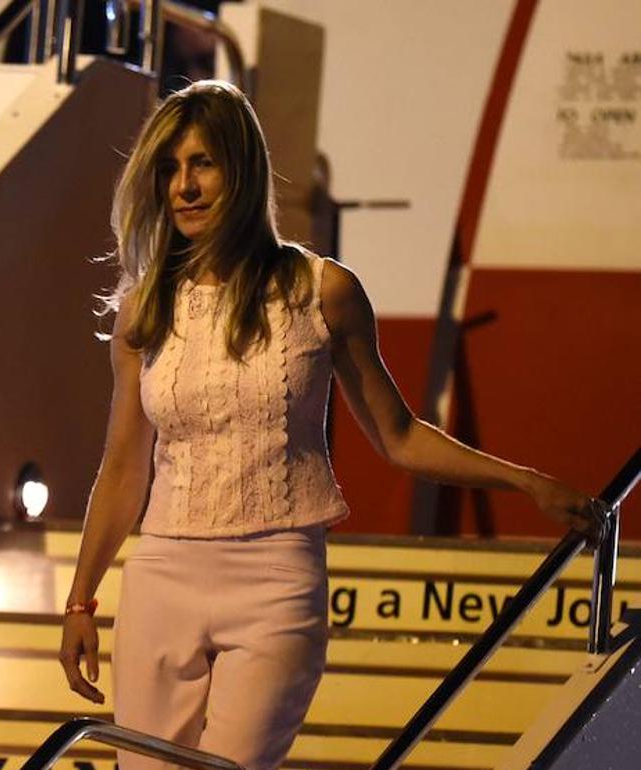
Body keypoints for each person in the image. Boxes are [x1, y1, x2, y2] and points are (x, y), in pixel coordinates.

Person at [57, 80, 600, 770]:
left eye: (203, 163)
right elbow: (125, 465)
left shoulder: (323, 293)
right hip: (164, 572)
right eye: (168, 169)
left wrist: (526, 483)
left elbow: (398, 435)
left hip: (276, 579)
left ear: (243, 170)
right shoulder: (144, 312)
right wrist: (80, 602)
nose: (183, 187)